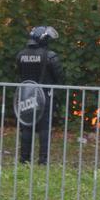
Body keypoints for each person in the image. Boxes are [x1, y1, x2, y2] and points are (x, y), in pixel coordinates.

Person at [16, 26, 64, 165]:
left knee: (26, 127)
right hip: (44, 95)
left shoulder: (21, 55)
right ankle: (43, 160)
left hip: (26, 95)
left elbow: (19, 74)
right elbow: (59, 77)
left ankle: (24, 159)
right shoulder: (50, 56)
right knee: (44, 128)